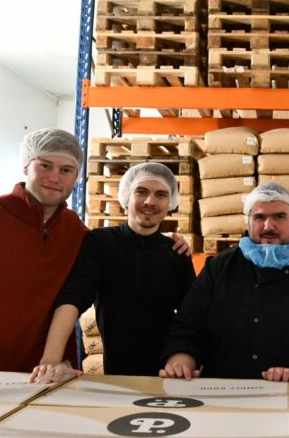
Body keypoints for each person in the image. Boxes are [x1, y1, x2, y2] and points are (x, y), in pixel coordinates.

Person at [160, 183, 289, 438]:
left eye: (279, 216)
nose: (268, 225)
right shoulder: (219, 267)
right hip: (225, 406)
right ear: (247, 222)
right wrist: (181, 362)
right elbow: (189, 324)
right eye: (259, 217)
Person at [29, 163, 196, 383]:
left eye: (161, 194)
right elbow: (74, 296)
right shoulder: (101, 243)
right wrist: (51, 358)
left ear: (170, 202)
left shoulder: (176, 252)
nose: (150, 201)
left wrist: (184, 359)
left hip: (168, 374)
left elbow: (192, 316)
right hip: (118, 374)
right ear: (127, 196)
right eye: (141, 192)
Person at [0, 128, 88, 371]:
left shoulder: (76, 231)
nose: (55, 178)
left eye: (66, 170)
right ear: (26, 166)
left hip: (48, 376)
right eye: (45, 166)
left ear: (76, 177)